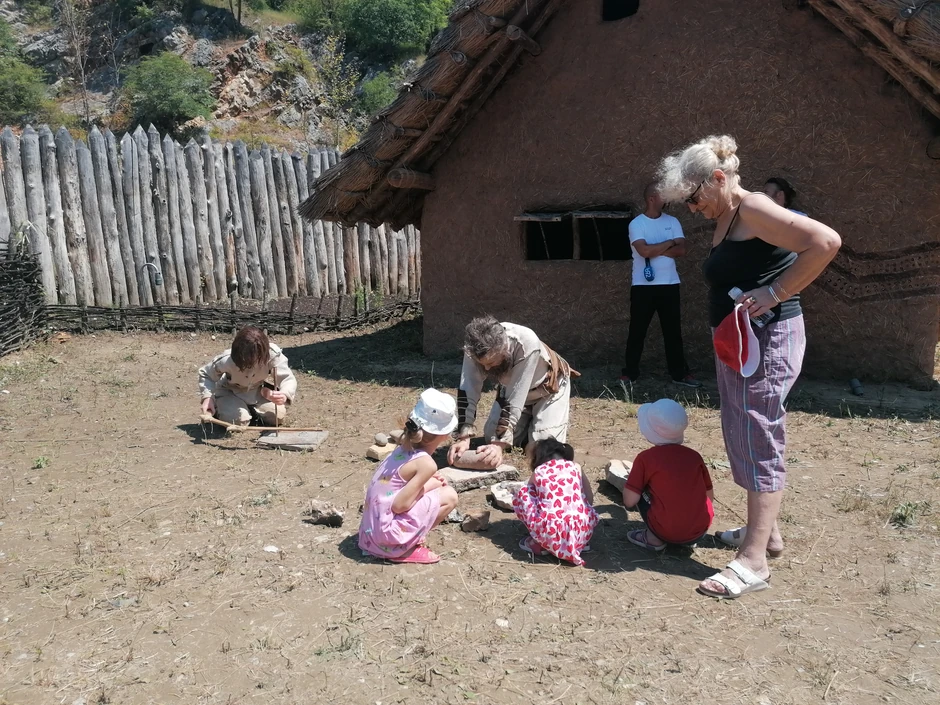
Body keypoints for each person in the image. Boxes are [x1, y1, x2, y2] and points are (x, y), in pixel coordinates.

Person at [657, 135, 840, 599]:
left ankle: (754, 560)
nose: (693, 210)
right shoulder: (728, 215)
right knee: (741, 430)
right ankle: (767, 534)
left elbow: (825, 242)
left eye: (694, 199)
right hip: (741, 345)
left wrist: (775, 293)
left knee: (759, 434)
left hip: (768, 340)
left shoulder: (754, 209)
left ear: (718, 178)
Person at [448, 316, 577, 470]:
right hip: (511, 390)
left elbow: (515, 396)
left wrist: (498, 446)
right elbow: (468, 386)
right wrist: (464, 436)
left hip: (548, 390)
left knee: (543, 446)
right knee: (491, 436)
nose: (487, 369)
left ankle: (535, 425)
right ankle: (529, 424)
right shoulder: (473, 347)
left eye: (491, 363)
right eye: (483, 364)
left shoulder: (527, 343)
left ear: (504, 349)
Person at [359, 388, 460, 564]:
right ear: (445, 435)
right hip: (385, 537)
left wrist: (427, 481)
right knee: (449, 496)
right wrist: (431, 485)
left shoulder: (402, 448)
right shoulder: (426, 464)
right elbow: (400, 505)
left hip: (370, 533)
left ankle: (396, 544)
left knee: (436, 492)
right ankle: (403, 549)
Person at [620, 183, 701, 389]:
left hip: (669, 284)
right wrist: (668, 244)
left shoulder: (672, 221)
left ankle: (679, 373)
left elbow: (682, 250)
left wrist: (656, 248)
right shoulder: (637, 224)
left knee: (672, 331)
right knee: (637, 330)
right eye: (663, 194)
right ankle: (630, 374)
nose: (667, 198)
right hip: (642, 286)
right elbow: (643, 252)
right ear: (652, 198)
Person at [622, 399, 714, 551]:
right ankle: (688, 539)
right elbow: (709, 497)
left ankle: (653, 539)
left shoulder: (646, 458)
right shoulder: (695, 457)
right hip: (700, 531)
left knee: (640, 488)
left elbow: (630, 501)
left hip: (665, 530)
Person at [512, 438, 599, 566]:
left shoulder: (539, 471)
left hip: (552, 533)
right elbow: (589, 498)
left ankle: (541, 544)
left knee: (523, 492)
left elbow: (530, 492)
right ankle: (577, 543)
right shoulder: (576, 467)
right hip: (583, 529)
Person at [198, 326, 296, 426]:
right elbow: (206, 374)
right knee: (239, 421)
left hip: (256, 391)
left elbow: (287, 378)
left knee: (277, 417)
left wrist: (284, 393)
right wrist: (207, 398)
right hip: (230, 391)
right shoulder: (226, 360)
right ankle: (222, 407)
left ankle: (251, 409)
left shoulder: (272, 355)